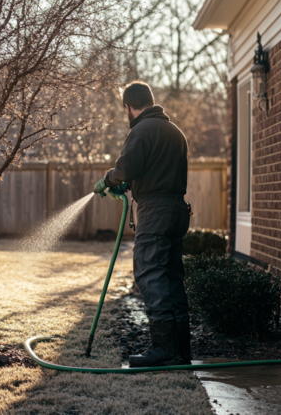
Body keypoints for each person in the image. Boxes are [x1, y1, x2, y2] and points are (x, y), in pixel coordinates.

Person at [94, 81, 191, 368]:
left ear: (128, 106)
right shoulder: (176, 132)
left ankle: (162, 350)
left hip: (155, 210)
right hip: (177, 209)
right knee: (172, 277)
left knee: (151, 273)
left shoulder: (142, 129)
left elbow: (126, 168)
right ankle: (181, 349)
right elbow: (151, 168)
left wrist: (109, 179)